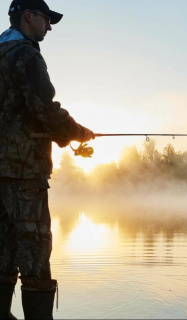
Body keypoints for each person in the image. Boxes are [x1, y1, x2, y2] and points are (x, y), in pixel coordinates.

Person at [0, 0, 95, 318]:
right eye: (46, 19)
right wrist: (77, 131)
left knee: (2, 250)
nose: (49, 26)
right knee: (35, 251)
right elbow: (43, 108)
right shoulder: (25, 54)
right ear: (28, 16)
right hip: (25, 173)